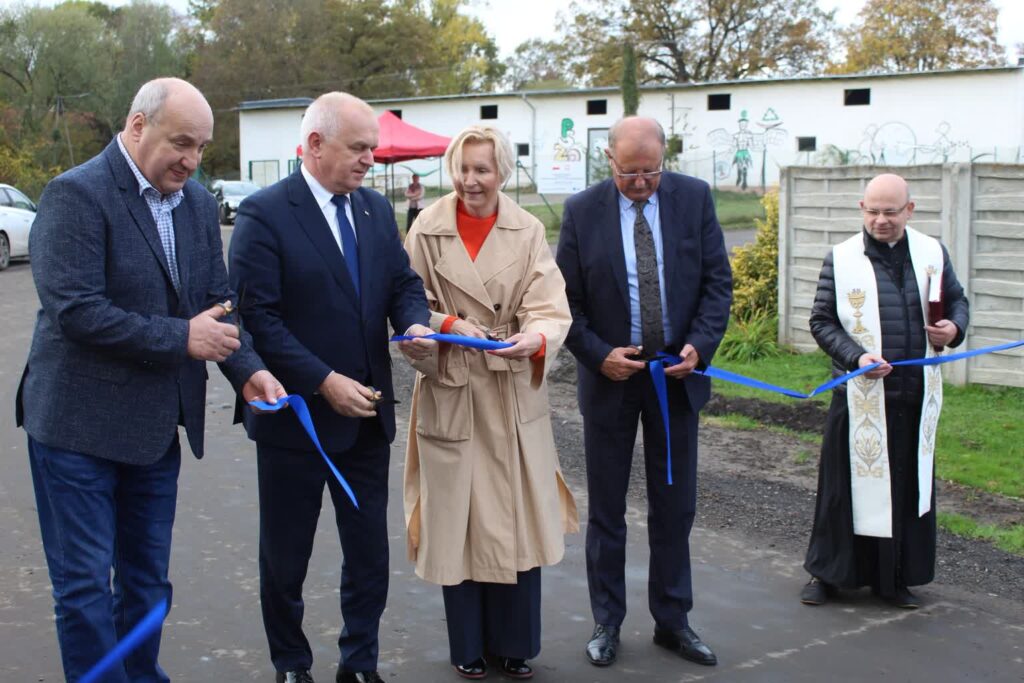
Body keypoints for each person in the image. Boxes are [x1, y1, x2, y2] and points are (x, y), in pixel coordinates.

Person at [15, 77, 286, 682]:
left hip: (156, 429)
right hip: (75, 429)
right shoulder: (74, 194)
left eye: (201, 147)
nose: (191, 160)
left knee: (145, 583)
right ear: (138, 127)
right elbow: (76, 311)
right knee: (84, 587)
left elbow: (218, 302)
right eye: (181, 142)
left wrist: (248, 370)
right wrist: (179, 338)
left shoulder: (193, 203)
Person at [229, 92, 433, 683]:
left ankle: (360, 663)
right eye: (359, 148)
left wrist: (413, 322)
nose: (371, 159)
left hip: (367, 416)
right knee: (286, 558)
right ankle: (291, 664)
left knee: (369, 554)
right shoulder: (265, 213)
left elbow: (403, 283)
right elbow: (258, 317)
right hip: (295, 421)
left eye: (373, 148)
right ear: (315, 145)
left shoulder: (372, 209)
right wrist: (321, 381)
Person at [402, 125, 578, 681]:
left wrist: (539, 338)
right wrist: (447, 325)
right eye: (462, 167)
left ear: (502, 171)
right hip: (453, 389)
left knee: (518, 518)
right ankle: (469, 648)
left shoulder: (527, 229)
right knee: (459, 522)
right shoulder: (425, 230)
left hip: (509, 392)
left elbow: (550, 303)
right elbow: (405, 302)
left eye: (482, 169)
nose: (471, 180)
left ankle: (516, 646)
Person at [555, 116, 732, 669]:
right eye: (629, 173)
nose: (640, 183)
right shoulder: (582, 212)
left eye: (650, 172)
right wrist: (597, 355)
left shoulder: (694, 199)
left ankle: (673, 620)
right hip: (612, 380)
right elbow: (564, 304)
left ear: (664, 160)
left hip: (675, 380)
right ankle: (607, 620)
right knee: (607, 507)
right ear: (609, 161)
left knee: (674, 506)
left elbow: (716, 283)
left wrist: (699, 348)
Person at [800, 173, 969, 609]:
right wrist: (856, 358)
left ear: (909, 211)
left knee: (905, 490)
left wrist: (954, 328)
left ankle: (895, 579)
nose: (880, 220)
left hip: (914, 396)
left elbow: (958, 302)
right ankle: (828, 575)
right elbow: (821, 321)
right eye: (872, 211)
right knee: (842, 491)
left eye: (890, 212)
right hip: (859, 399)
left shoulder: (932, 253)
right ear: (862, 208)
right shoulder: (841, 258)